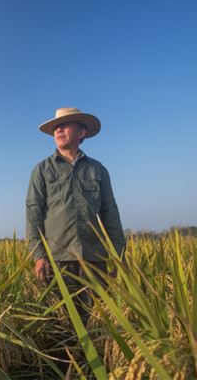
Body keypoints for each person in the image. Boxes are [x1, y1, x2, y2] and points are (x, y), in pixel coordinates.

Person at [25, 107, 126, 320]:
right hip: (58, 260)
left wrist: (117, 255)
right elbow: (33, 214)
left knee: (98, 320)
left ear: (81, 133)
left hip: (94, 259)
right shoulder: (42, 170)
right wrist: (39, 256)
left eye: (64, 125)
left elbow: (110, 213)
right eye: (55, 127)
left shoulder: (98, 170)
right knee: (63, 323)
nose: (58, 130)